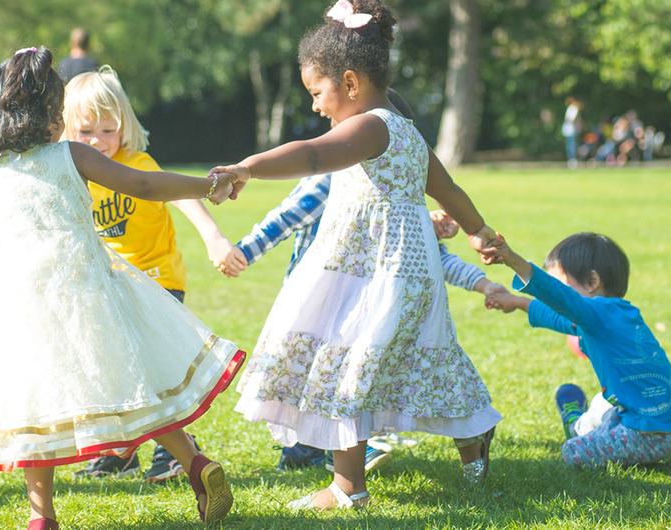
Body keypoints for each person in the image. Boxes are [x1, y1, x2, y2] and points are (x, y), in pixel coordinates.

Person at [211, 0, 502, 510]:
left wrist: (248, 167)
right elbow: (448, 188)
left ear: (349, 82)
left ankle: (348, 487)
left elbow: (314, 154)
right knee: (423, 358)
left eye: (317, 93)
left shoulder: (371, 127)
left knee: (347, 362)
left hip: (374, 273)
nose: (316, 107)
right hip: (407, 272)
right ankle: (473, 445)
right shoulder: (409, 133)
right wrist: (478, 230)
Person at [0, 47, 243, 529]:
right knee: (138, 382)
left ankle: (42, 517)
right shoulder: (69, 155)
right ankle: (195, 464)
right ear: (48, 114)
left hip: (19, 311)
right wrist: (206, 186)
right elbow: (142, 186)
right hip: (91, 292)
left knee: (33, 406)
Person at [59, 66, 236, 483]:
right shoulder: (74, 173)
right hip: (109, 287)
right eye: (85, 132)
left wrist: (213, 236)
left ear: (125, 126)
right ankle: (121, 451)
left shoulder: (137, 163)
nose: (97, 142)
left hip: (159, 282)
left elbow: (182, 198)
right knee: (115, 367)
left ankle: (176, 453)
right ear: (66, 130)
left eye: (108, 129)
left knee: (157, 370)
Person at [482, 232, 671, 468]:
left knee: (573, 452)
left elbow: (557, 298)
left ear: (592, 282)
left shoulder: (596, 314)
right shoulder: (616, 314)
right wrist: (517, 302)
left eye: (562, 286)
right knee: (602, 404)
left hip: (647, 434)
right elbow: (558, 317)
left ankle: (574, 426)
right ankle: (584, 425)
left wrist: (512, 260)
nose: (558, 299)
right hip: (658, 422)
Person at [562, 98, 582, 168]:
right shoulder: (573, 108)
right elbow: (572, 119)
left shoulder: (570, 108)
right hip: (571, 129)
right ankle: (572, 160)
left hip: (569, 129)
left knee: (570, 145)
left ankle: (571, 160)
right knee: (571, 145)